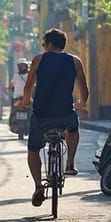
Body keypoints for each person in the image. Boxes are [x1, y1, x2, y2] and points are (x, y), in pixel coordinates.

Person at [22, 28, 89, 207]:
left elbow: (28, 86)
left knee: (33, 149)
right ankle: (70, 163)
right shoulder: (74, 61)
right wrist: (81, 103)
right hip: (65, 113)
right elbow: (84, 88)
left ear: (49, 45)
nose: (43, 47)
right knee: (74, 129)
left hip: (41, 114)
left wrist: (26, 101)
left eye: (44, 45)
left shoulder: (38, 59)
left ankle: (38, 186)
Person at [8, 59, 29, 129]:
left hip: (21, 97)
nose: (22, 67)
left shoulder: (17, 76)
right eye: (21, 66)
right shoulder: (28, 76)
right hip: (25, 98)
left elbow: (10, 86)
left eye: (23, 65)